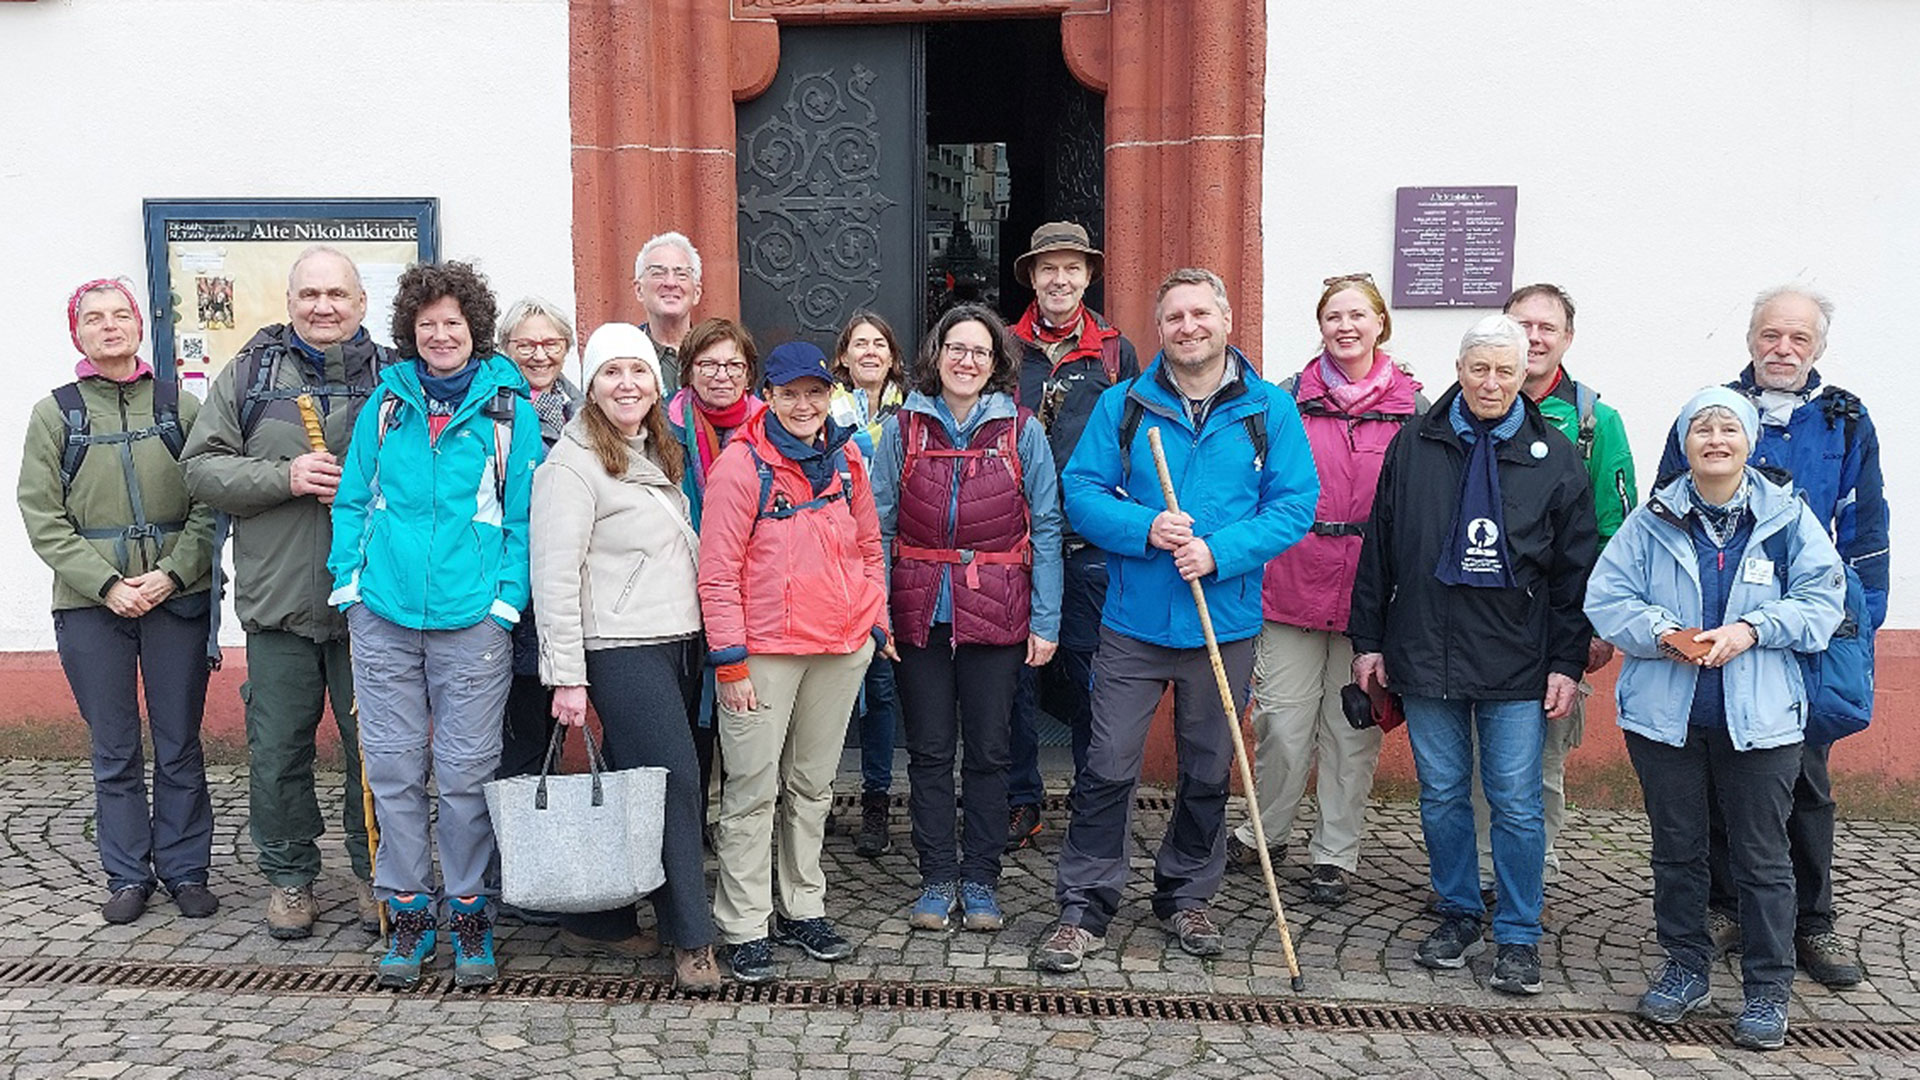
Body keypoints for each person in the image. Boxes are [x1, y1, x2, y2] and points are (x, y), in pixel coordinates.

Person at [1035, 268, 1318, 973]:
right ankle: (1085, 904)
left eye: (1200, 314)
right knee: (1106, 765)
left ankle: (1188, 893)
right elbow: (1082, 491)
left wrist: (1219, 551)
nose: (1188, 327)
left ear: (1225, 320)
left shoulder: (1268, 409)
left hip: (1224, 623)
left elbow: (1293, 505)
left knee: (1207, 768)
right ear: (1158, 330)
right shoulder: (1126, 404)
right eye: (1173, 317)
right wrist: (1146, 527)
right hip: (1133, 622)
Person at [1347, 314, 1597, 996]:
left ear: (1526, 377)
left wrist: (1566, 663)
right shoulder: (1415, 444)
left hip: (1518, 658)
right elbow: (1381, 547)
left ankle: (1518, 934)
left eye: (1506, 371)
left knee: (1515, 801)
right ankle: (1458, 909)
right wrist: (1367, 642)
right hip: (1425, 650)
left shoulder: (1558, 456)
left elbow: (1576, 573)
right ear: (1459, 370)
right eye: (1479, 368)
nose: (1491, 383)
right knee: (1443, 795)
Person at [1587, 388, 1844, 1051]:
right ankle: (1685, 966)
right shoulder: (1652, 520)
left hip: (1760, 722)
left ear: (1750, 442)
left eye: (1730, 427)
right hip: (1665, 721)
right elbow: (1606, 598)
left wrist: (1755, 628)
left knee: (1763, 859)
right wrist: (1663, 632)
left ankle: (1766, 989)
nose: (1716, 438)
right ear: (1685, 443)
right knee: (1678, 853)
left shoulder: (1788, 520)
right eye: (1702, 427)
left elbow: (1823, 602)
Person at [1655, 286, 1886, 989]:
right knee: (1724, 767)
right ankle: (1725, 908)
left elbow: (1867, 521)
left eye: (1798, 339)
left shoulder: (1844, 419)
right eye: (1770, 335)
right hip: (1719, 626)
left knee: (1805, 778)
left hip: (1808, 634)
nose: (1782, 349)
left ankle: (1812, 921)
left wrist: (1859, 620)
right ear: (1751, 337)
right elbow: (1669, 507)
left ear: (1817, 347)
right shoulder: (1711, 408)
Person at [326, 261, 542, 989]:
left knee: (465, 775)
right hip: (383, 617)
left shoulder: (509, 409)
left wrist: (506, 602)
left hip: (471, 623)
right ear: (410, 333)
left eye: (453, 323)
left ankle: (472, 913)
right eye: (427, 325)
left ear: (474, 329)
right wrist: (349, 585)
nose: (441, 335)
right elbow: (354, 499)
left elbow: (523, 518)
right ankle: (411, 914)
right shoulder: (386, 406)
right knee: (390, 771)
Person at [180, 245, 387, 939]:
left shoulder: (397, 377)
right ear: (291, 301)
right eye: (310, 295)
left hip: (374, 606)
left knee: (377, 749)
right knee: (277, 753)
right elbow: (201, 470)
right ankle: (291, 879)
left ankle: (378, 875)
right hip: (280, 604)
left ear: (360, 303)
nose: (323, 307)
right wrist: (286, 476)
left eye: (337, 295)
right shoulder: (248, 374)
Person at [19, 279, 217, 925]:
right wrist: (105, 584)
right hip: (88, 606)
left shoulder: (178, 406)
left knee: (179, 741)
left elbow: (208, 502)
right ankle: (128, 874)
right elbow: (42, 515)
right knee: (114, 744)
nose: (110, 327)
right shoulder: (57, 414)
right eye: (95, 319)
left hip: (174, 598)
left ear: (140, 326)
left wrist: (171, 573)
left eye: (121, 315)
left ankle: (186, 869)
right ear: (77, 333)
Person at [531, 322, 721, 991]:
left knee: (653, 786)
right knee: (675, 784)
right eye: (612, 372)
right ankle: (691, 940)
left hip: (676, 638)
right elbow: (553, 575)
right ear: (593, 383)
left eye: (638, 372)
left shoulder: (652, 447)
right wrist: (567, 678)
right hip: (620, 647)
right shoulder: (572, 463)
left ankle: (604, 919)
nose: (627, 384)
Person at [697, 341, 890, 984]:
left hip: (838, 649)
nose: (803, 404)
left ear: (828, 392)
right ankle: (745, 923)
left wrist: (874, 619)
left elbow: (869, 543)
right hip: (764, 653)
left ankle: (803, 907)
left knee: (811, 788)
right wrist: (729, 661)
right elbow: (717, 572)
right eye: (789, 393)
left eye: (815, 391)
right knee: (751, 791)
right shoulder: (739, 466)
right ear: (768, 394)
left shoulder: (849, 457)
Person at [1230, 273, 1423, 904]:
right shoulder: (1284, 399)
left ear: (1379, 325)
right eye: (1333, 316)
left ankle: (1336, 851)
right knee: (1282, 723)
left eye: (1357, 316)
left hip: (1374, 590)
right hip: (1290, 579)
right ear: (1320, 326)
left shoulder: (1414, 409)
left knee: (1353, 727)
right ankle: (1267, 832)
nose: (1346, 326)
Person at [870, 304, 1063, 932]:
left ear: (996, 362)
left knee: (988, 750)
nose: (967, 360)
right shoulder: (903, 430)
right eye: (957, 348)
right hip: (919, 606)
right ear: (937, 353)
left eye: (980, 351)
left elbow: (1048, 524)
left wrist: (1047, 619)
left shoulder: (1021, 431)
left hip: (999, 605)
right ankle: (936, 877)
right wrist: (878, 612)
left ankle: (980, 877)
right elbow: (877, 526)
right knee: (927, 751)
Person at [1467, 283, 1639, 898]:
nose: (1534, 338)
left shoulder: (1595, 420)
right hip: (1475, 624)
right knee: (1471, 759)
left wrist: (1593, 627)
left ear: (1567, 338)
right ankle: (1479, 874)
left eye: (1547, 328)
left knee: (1537, 765)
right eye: (1522, 325)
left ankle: (1526, 878)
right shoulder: (1461, 407)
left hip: (1553, 624)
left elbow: (1617, 531)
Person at [1004, 221, 1140, 852]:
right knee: (1014, 684)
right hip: (1017, 539)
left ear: (1088, 276)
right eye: (1048, 269)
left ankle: (1093, 801)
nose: (1060, 280)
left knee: (1091, 680)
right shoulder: (1005, 348)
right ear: (1032, 277)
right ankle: (1021, 800)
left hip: (1089, 545)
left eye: (1072, 269)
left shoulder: (1117, 352)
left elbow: (1137, 442)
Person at [667, 317, 768, 826]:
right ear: (688, 371)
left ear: (749, 373)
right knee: (692, 723)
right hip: (680, 591)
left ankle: (743, 828)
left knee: (751, 720)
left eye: (733, 364)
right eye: (708, 364)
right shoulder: (662, 428)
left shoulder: (772, 429)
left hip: (755, 592)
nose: (721, 375)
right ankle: (693, 827)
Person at [827, 310, 909, 858]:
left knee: (881, 689)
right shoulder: (821, 410)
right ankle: (817, 798)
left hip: (896, 561)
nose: (870, 352)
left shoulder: (915, 413)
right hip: (835, 561)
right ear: (844, 357)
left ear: (892, 356)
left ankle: (877, 800)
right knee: (826, 690)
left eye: (879, 343)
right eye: (860, 344)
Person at [495, 297, 583, 783]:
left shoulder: (587, 411)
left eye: (551, 342)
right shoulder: (491, 407)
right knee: (516, 731)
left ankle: (543, 836)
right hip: (509, 586)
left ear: (567, 347)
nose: (539, 354)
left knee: (553, 726)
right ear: (505, 348)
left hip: (564, 591)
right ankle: (506, 844)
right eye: (524, 344)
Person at [633, 231, 703, 396]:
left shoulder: (718, 355)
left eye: (682, 274)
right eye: (658, 273)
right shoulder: (624, 355)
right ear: (639, 290)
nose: (671, 283)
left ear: (697, 292)